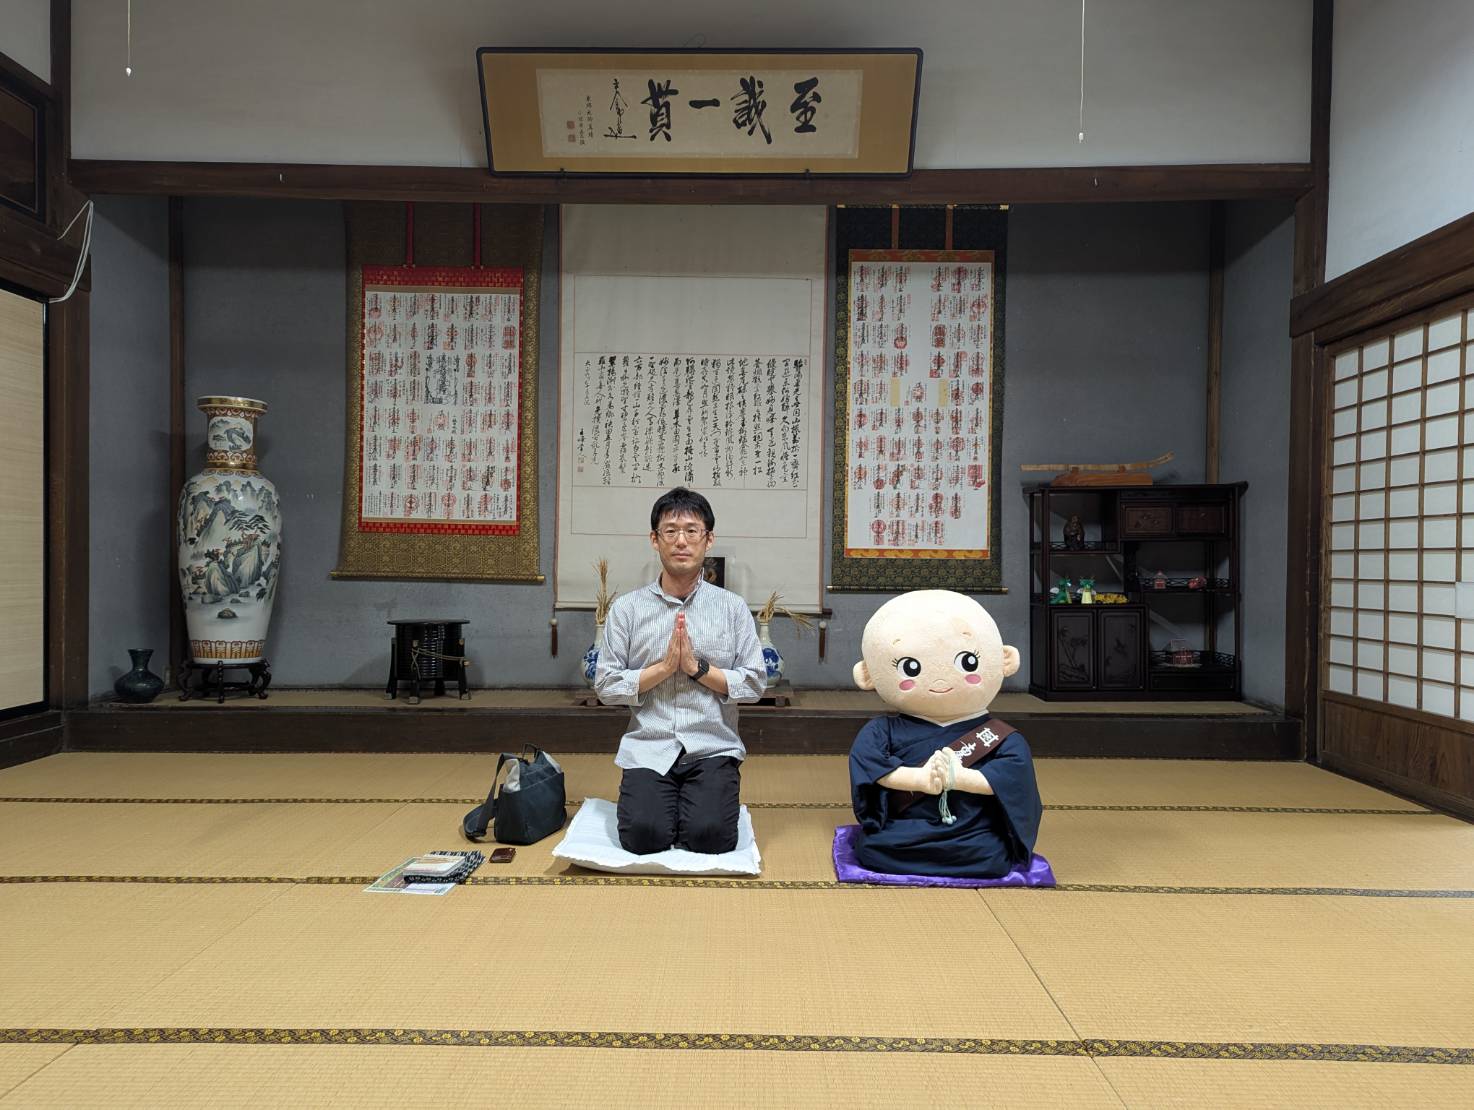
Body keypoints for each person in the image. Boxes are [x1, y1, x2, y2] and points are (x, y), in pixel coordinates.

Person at [595, 488, 767, 854]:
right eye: (670, 531)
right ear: (654, 539)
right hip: (649, 745)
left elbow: (754, 683)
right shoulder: (627, 609)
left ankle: (697, 809)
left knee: (711, 837)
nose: (681, 541)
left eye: (692, 531)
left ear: (709, 539)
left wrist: (696, 669)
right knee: (643, 837)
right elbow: (606, 685)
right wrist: (663, 669)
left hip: (712, 745)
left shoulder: (732, 608)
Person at [848, 590, 1043, 877]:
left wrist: (962, 779)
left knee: (992, 853)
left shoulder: (1000, 735)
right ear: (867, 675)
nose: (939, 678)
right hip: (905, 830)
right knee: (872, 848)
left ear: (1005, 659)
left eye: (968, 662)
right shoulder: (881, 730)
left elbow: (1015, 779)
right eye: (910, 668)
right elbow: (869, 766)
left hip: (973, 832)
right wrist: (919, 780)